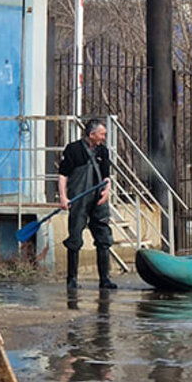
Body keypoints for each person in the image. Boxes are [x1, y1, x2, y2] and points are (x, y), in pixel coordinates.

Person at [58, 118, 116, 290]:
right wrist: (63, 197)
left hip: (98, 200)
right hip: (79, 200)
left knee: (104, 237)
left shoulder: (103, 151)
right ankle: (72, 280)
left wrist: (107, 191)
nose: (104, 137)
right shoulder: (73, 150)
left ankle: (104, 279)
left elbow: (107, 176)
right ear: (92, 134)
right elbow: (63, 175)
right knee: (75, 238)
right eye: (102, 134)